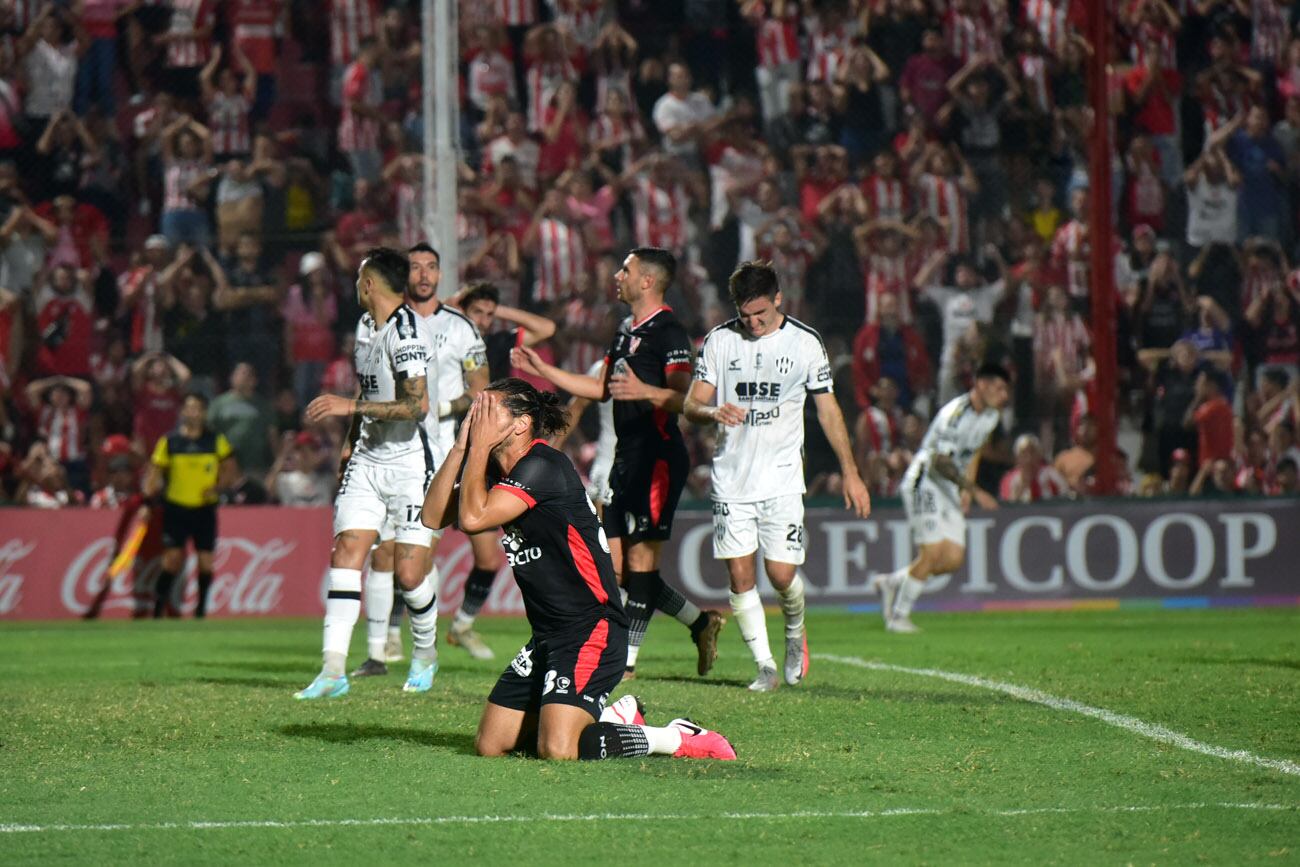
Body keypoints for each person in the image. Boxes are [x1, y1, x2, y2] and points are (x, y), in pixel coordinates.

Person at [420, 380, 735, 762]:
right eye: (479, 409)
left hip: (592, 628)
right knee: (491, 745)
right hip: (549, 634)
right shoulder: (490, 468)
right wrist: (461, 447)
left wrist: (479, 447)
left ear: (521, 424)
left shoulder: (542, 465)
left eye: (490, 410)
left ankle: (673, 737)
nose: (479, 416)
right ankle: (611, 715)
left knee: (559, 750)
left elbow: (472, 518)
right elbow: (433, 515)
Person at [513, 247, 725, 680]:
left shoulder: (669, 332)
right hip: (624, 461)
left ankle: (625, 663)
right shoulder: (625, 329)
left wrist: (646, 393)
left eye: (624, 269)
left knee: (642, 565)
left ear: (647, 280)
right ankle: (701, 622)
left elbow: (683, 398)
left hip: (658, 458)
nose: (616, 275)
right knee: (618, 568)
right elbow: (599, 387)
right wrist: (544, 370)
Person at [683, 261, 871, 691]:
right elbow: (692, 405)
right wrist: (713, 411)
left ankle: (794, 632)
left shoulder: (805, 343)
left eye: (761, 315)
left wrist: (851, 472)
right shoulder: (719, 341)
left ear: (779, 299)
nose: (752, 324)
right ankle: (764, 666)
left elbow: (827, 408)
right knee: (740, 577)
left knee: (783, 576)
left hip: (783, 477)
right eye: (745, 316)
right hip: (731, 478)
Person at [295, 247, 440, 699]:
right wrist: (348, 441)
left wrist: (349, 406)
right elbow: (369, 385)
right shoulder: (364, 327)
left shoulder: (408, 330)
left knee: (411, 576)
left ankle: (425, 651)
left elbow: (418, 405)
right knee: (346, 554)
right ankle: (332, 670)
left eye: (360, 279)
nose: (356, 287)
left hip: (411, 465)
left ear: (371, 284)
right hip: (367, 459)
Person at [354, 242, 492, 678]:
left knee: (413, 557)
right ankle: (387, 641)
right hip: (385, 449)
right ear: (403, 276)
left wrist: (442, 408)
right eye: (416, 267)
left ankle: (419, 641)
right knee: (384, 555)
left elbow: (481, 390)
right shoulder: (377, 323)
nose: (425, 274)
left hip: (439, 454)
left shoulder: (462, 328)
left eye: (432, 266)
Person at [868, 363, 1011, 633]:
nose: (1004, 395)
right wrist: (974, 490)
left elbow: (974, 452)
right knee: (932, 553)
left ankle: (892, 582)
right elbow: (940, 461)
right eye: (999, 387)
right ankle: (898, 616)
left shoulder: (991, 415)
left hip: (950, 487)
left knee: (952, 560)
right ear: (982, 384)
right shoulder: (953, 415)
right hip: (926, 481)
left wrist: (964, 490)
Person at [145, 392, 237, 619]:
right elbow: (155, 472)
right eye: (190, 408)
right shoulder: (170, 442)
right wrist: (148, 496)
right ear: (183, 412)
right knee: (172, 561)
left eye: (198, 409)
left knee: (206, 563)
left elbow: (230, 469)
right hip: (176, 508)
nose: (194, 413)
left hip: (205, 509)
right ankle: (157, 610)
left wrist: (217, 487)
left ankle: (200, 612)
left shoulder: (215, 440)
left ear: (204, 413)